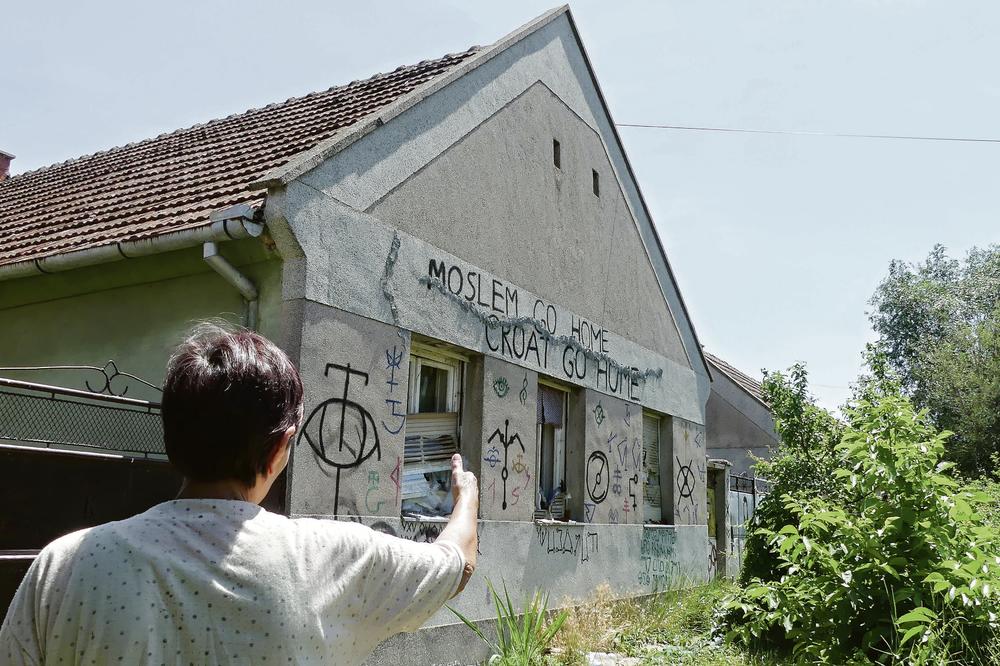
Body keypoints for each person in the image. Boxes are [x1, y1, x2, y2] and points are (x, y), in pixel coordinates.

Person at [0, 324, 479, 665]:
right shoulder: (329, 557)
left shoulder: (63, 567)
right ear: (279, 447)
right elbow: (455, 564)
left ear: (171, 437)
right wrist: (466, 494)